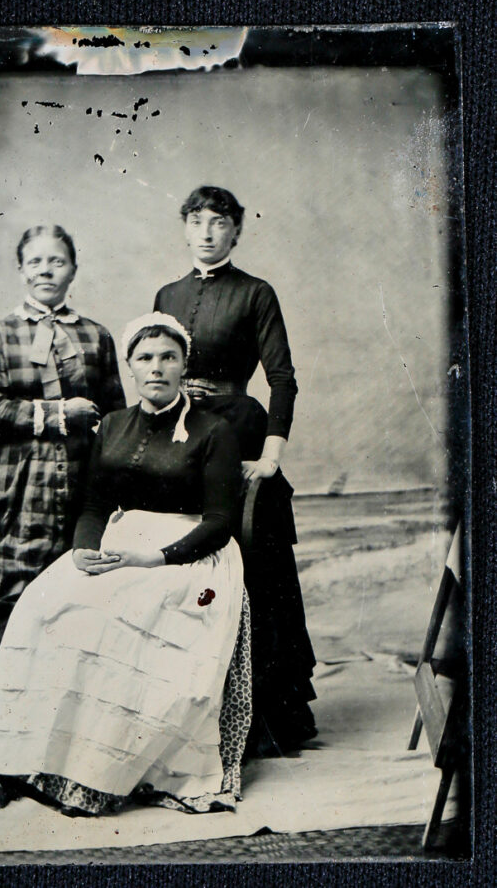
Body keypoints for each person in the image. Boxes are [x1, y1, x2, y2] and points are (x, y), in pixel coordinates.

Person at [0, 314, 252, 816]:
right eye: (145, 358)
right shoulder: (115, 426)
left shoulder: (215, 430)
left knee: (119, 617)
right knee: (42, 605)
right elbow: (96, 505)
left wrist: (156, 557)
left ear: (185, 364)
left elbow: (222, 520)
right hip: (122, 542)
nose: (157, 368)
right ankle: (11, 764)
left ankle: (97, 774)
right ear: (130, 367)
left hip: (190, 554)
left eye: (169, 357)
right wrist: (81, 552)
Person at [0, 224, 126, 764]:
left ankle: (59, 751)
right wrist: (56, 414)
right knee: (6, 599)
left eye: (58, 261)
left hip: (79, 481)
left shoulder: (95, 336)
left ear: (74, 268)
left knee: (72, 603)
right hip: (16, 484)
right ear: (20, 269)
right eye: (35, 262)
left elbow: (115, 413)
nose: (46, 271)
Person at [154, 186, 317, 756]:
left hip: (240, 430)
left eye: (218, 222)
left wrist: (273, 451)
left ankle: (263, 722)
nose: (206, 232)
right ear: (184, 229)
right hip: (183, 435)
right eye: (196, 221)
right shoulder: (167, 294)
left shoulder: (256, 293)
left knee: (252, 567)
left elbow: (282, 377)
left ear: (236, 231)